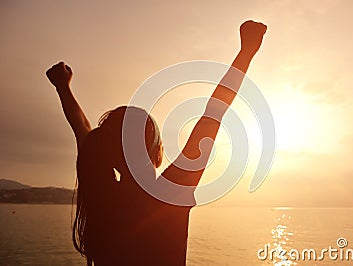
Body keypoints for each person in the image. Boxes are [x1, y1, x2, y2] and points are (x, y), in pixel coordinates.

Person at [46, 20, 267, 266]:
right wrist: (246, 53)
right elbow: (213, 112)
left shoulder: (103, 196)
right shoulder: (170, 193)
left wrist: (63, 88)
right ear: (154, 147)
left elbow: (84, 133)